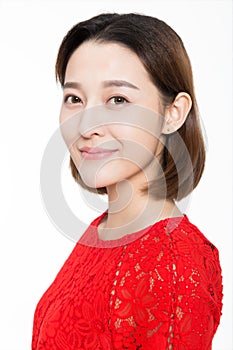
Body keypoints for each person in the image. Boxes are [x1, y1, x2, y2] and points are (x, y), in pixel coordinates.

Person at [32, 13, 223, 349]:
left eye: (117, 100)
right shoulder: (102, 230)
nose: (86, 125)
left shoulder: (174, 263)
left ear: (172, 113)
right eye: (74, 98)